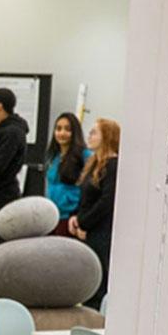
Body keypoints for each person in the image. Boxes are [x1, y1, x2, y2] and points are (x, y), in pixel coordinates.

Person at [69, 117, 118, 310]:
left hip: (100, 234)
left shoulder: (112, 166)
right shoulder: (94, 163)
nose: (89, 135)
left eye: (94, 132)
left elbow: (106, 202)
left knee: (98, 283)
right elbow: (85, 195)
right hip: (89, 231)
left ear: (107, 137)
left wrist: (84, 222)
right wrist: (76, 217)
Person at [42, 112, 87, 230]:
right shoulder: (53, 156)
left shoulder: (84, 155)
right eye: (58, 129)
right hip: (50, 216)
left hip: (70, 218)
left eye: (67, 129)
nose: (62, 133)